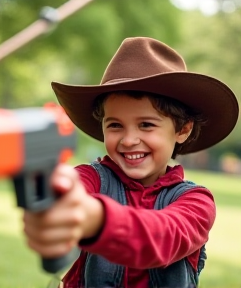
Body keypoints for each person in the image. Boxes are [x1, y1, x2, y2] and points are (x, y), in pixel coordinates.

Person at [23, 37, 239, 288]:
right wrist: (54, 197)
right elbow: (69, 191)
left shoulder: (196, 202)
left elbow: (164, 238)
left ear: (183, 130)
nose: (128, 140)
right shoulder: (90, 178)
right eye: (115, 125)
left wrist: (98, 219)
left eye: (146, 125)